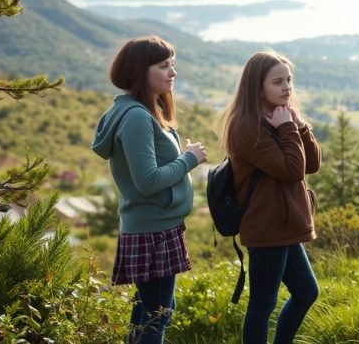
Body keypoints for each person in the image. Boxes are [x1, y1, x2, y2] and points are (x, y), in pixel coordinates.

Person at [92, 35, 208, 344]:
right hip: (153, 230)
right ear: (140, 70)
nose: (172, 72)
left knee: (148, 314)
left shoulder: (138, 111)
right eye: (163, 66)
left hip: (155, 227)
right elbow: (148, 181)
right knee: (157, 317)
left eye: (172, 64)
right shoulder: (137, 118)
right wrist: (189, 159)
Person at [218, 51, 321, 344]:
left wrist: (299, 126)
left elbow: (311, 165)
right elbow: (291, 170)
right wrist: (288, 128)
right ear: (257, 86)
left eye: (289, 80)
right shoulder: (246, 127)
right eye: (277, 82)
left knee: (306, 292)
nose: (287, 87)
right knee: (262, 305)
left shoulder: (280, 118)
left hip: (285, 226)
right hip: (266, 228)